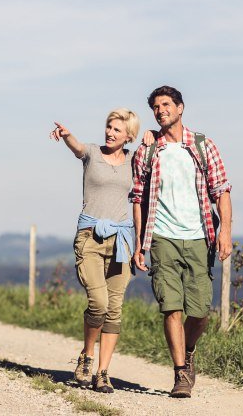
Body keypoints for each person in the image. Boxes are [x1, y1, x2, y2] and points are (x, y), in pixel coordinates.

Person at [131, 85, 233, 398]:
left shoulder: (203, 145)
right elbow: (137, 198)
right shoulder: (147, 151)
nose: (160, 111)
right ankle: (180, 375)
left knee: (201, 310)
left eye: (166, 105)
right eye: (156, 107)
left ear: (180, 108)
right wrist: (139, 243)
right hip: (161, 236)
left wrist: (225, 230)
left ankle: (188, 350)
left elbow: (222, 191)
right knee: (171, 307)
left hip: (200, 236)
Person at [49, 109, 141, 394]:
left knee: (114, 310)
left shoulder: (134, 160)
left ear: (128, 136)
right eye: (109, 127)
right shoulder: (91, 152)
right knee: (98, 302)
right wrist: (66, 135)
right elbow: (76, 147)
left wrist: (139, 245)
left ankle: (103, 372)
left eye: (117, 130)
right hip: (90, 237)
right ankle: (87, 356)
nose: (110, 133)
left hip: (121, 240)